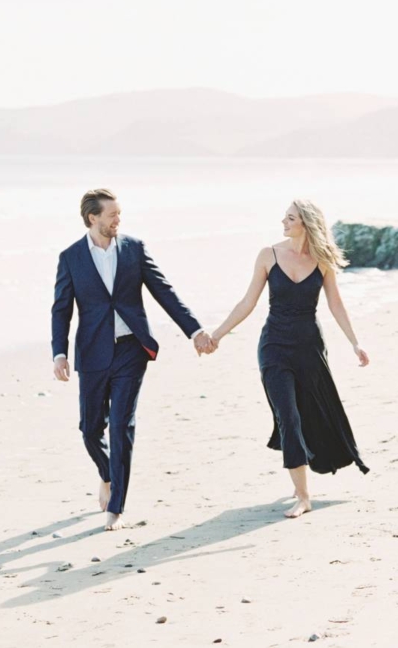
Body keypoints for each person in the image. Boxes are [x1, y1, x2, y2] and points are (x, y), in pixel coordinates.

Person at [51, 188, 212, 530]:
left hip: (130, 350)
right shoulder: (71, 257)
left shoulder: (134, 249)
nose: (118, 220)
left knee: (122, 425)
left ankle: (116, 508)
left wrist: (194, 330)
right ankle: (108, 474)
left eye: (119, 214)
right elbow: (61, 308)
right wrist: (59, 352)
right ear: (93, 218)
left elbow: (163, 291)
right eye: (112, 215)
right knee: (90, 429)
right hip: (93, 352)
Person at [208, 199, 369, 518]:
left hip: (309, 348)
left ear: (306, 223)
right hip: (274, 347)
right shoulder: (268, 255)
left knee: (309, 413)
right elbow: (247, 302)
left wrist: (355, 342)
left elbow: (336, 304)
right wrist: (217, 334)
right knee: (289, 417)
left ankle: (303, 478)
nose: (283, 221)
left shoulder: (322, 261)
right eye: (284, 216)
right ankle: (304, 496)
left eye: (290, 218)